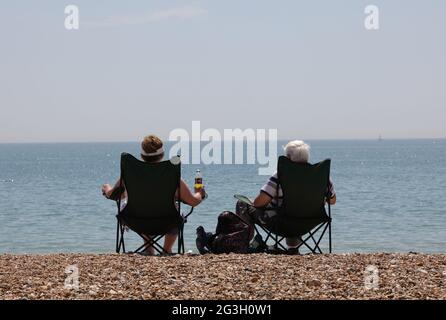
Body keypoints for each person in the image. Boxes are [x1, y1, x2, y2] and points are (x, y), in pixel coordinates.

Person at [102, 134, 205, 255]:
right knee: (175, 211)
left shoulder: (131, 175)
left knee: (144, 206)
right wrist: (199, 193)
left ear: (141, 155)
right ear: (162, 155)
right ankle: (167, 249)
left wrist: (106, 187)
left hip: (135, 220)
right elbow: (193, 201)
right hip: (168, 221)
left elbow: (111, 194)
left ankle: (149, 249)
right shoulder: (171, 176)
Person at [245, 140, 336, 253]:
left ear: (288, 157)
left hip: (281, 222)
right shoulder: (321, 176)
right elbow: (332, 201)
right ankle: (293, 249)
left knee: (243, 205)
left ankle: (243, 245)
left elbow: (259, 203)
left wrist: (251, 203)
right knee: (293, 209)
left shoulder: (280, 175)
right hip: (309, 222)